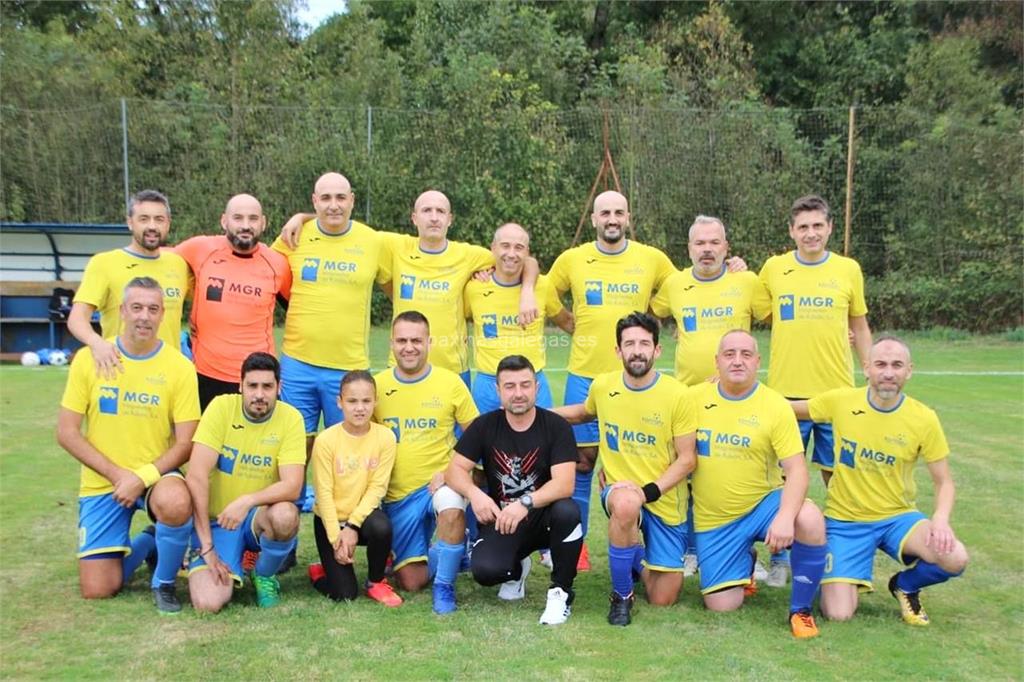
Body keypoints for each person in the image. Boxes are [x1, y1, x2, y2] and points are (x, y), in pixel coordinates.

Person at [791, 336, 969, 626]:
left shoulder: (923, 418)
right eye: (881, 364)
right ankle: (848, 569)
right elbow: (786, 408)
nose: (889, 373)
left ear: (909, 370)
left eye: (897, 365)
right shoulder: (841, 401)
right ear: (867, 368)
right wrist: (731, 390)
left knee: (955, 557)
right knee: (838, 614)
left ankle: (905, 584)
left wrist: (940, 518)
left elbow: (944, 481)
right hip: (845, 522)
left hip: (898, 518)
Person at [278, 191, 540, 387]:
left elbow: (524, 259)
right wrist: (302, 218)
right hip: (402, 366)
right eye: (427, 211)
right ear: (414, 218)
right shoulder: (391, 245)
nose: (434, 217)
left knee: (458, 452)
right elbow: (339, 220)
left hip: (452, 370)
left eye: (440, 211)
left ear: (450, 219)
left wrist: (527, 291)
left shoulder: (470, 255)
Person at [546, 191, 677, 571]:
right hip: (585, 375)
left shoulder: (651, 258)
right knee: (581, 463)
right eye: (605, 213)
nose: (612, 218)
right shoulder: (573, 259)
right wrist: (571, 325)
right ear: (594, 219)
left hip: (635, 380)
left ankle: (645, 547)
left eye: (619, 212)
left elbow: (685, 287)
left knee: (645, 463)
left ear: (628, 217)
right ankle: (576, 543)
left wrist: (650, 323)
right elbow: (545, 292)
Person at [56, 276, 200, 614]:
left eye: (152, 309)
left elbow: (186, 443)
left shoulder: (179, 367)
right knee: (99, 589)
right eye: (136, 307)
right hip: (103, 481)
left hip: (154, 478)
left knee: (176, 502)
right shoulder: (88, 359)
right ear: (122, 311)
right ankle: (149, 541)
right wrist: (118, 474)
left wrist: (142, 476)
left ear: (163, 314)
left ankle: (163, 582)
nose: (144, 316)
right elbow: (67, 432)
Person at [758, 194, 872, 587]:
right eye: (802, 227)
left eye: (817, 226)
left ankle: (839, 556)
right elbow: (752, 307)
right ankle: (780, 558)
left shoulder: (848, 269)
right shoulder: (773, 269)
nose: (810, 233)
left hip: (836, 399)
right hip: (785, 399)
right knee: (780, 481)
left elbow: (858, 325)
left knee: (837, 480)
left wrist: (871, 369)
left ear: (829, 229)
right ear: (791, 231)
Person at [650, 215, 772, 577]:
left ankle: (748, 550)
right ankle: (689, 549)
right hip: (690, 397)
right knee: (690, 470)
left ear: (726, 248)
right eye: (700, 244)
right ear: (688, 249)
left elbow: (777, 320)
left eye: (714, 243)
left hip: (739, 397)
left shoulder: (746, 281)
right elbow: (649, 315)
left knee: (736, 470)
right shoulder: (674, 284)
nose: (707, 250)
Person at [556, 312, 697, 626]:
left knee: (663, 598)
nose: (637, 350)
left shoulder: (678, 394)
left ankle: (634, 558)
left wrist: (648, 492)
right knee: (625, 503)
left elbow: (687, 459)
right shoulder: (604, 386)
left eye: (645, 343)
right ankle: (621, 596)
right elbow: (583, 413)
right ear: (618, 351)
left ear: (657, 350)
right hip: (620, 493)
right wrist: (538, 412)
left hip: (663, 498)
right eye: (629, 343)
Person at [689, 329, 828, 638]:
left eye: (746, 355)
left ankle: (801, 611)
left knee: (809, 518)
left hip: (763, 505)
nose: (737, 361)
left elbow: (797, 470)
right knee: (721, 606)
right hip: (716, 521)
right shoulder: (694, 398)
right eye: (729, 354)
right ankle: (745, 561)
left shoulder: (775, 405)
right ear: (717, 362)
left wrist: (783, 517)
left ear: (758, 362)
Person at [446, 355, 582, 625]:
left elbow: (565, 484)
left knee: (568, 510)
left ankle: (560, 594)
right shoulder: (485, 425)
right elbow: (454, 470)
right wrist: (476, 494)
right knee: (485, 571)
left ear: (537, 388)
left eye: (525, 385)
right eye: (510, 386)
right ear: (498, 390)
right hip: (504, 520)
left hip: (544, 517)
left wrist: (526, 502)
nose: (518, 393)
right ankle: (517, 568)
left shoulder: (556, 427)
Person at [269, 172, 390, 448]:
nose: (333, 205)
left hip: (348, 366)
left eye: (340, 198)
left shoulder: (373, 241)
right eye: (325, 198)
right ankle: (294, 494)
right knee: (296, 448)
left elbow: (398, 282)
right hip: (297, 364)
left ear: (352, 201)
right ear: (314, 201)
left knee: (349, 448)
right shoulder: (293, 237)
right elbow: (264, 274)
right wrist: (300, 218)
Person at [373, 311, 479, 613]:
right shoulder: (377, 387)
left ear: (429, 342)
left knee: (450, 502)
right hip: (398, 497)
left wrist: (451, 471)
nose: (409, 347)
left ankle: (444, 588)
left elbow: (478, 436)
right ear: (391, 343)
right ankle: (455, 553)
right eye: (402, 340)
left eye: (416, 340)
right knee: (411, 580)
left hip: (438, 485)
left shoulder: (451, 383)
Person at [184, 352, 305, 612]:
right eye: (252, 386)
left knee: (286, 515)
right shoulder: (220, 407)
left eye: (267, 386)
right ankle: (164, 544)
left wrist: (247, 501)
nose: (259, 394)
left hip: (255, 520)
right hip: (218, 522)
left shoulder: (291, 418)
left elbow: (293, 486)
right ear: (240, 386)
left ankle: (263, 574)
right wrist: (207, 546)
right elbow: (195, 475)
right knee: (208, 603)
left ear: (278, 388)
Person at [175, 194, 291, 410]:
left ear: (263, 223)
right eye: (238, 218)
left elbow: (302, 309)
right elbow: (153, 261)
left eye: (253, 219)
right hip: (205, 375)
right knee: (202, 443)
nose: (245, 225)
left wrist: (302, 218)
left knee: (259, 443)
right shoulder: (199, 249)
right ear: (224, 221)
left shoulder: (277, 264)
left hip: (257, 380)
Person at [68, 190, 191, 379]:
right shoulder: (104, 263)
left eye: (159, 219)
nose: (152, 226)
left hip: (166, 378)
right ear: (130, 222)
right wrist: (96, 343)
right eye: (144, 219)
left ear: (168, 224)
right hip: (120, 373)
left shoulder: (179, 265)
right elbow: (77, 318)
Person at [309, 371, 401, 607]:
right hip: (329, 521)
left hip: (363, 517)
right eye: (352, 401)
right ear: (339, 402)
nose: (359, 408)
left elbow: (377, 488)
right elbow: (324, 493)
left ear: (375, 402)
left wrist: (352, 525)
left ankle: (375, 581)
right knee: (345, 594)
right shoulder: (326, 440)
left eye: (366, 401)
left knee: (382, 527)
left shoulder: (386, 437)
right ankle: (322, 571)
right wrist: (335, 538)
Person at [464, 223, 573, 412]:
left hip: (532, 382)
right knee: (484, 442)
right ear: (493, 248)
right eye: (505, 246)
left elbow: (567, 323)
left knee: (540, 441)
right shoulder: (473, 287)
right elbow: (464, 318)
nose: (512, 253)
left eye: (519, 247)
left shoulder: (543, 286)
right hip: (488, 384)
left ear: (527, 252)